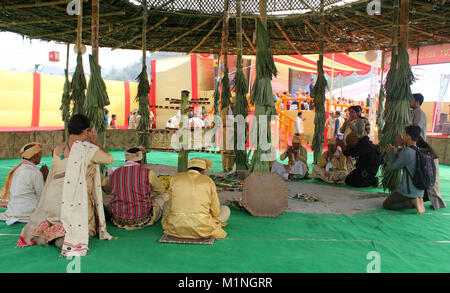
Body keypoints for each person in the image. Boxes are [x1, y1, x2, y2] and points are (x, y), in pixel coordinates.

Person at [17, 114, 114, 256]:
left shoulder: (57, 149)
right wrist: (95, 143)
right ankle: (62, 239)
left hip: (52, 201)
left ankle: (47, 232)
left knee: (58, 220)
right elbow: (109, 159)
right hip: (70, 200)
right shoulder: (87, 149)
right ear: (86, 131)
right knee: (88, 230)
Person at [162, 158, 230, 239]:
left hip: (176, 227)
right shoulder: (208, 180)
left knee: (166, 204)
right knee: (226, 209)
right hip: (202, 226)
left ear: (187, 169)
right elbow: (215, 208)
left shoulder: (175, 178)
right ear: (203, 171)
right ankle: (208, 225)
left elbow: (170, 205)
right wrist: (212, 217)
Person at [107, 147, 168, 229]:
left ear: (126, 160)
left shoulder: (114, 173)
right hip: (142, 219)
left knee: (109, 201)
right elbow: (160, 190)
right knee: (165, 196)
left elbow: (110, 191)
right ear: (141, 161)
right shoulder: (148, 173)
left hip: (118, 219)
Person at [0, 143, 49, 225]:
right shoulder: (35, 173)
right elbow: (42, 196)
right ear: (35, 156)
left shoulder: (17, 169)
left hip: (13, 212)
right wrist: (45, 179)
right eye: (40, 154)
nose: (41, 156)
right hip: (27, 215)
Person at [382, 126, 426, 214]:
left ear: (408, 137)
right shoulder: (420, 151)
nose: (403, 136)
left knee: (387, 204)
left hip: (408, 190)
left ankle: (412, 202)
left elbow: (395, 167)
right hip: (420, 190)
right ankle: (418, 201)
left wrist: (391, 152)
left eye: (404, 134)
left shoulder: (407, 151)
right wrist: (396, 152)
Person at [414, 136, 445, 210]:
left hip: (430, 165)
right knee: (434, 183)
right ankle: (438, 203)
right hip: (433, 164)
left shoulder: (423, 151)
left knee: (431, 183)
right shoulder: (429, 149)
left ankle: (436, 204)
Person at [220, 97, 235, 172]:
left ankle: (230, 167)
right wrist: (234, 124)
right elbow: (224, 122)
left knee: (232, 151)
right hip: (226, 133)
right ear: (231, 104)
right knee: (226, 151)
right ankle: (224, 167)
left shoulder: (236, 110)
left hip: (233, 133)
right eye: (234, 104)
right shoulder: (225, 110)